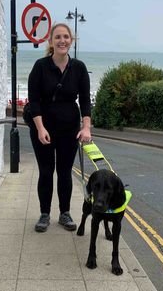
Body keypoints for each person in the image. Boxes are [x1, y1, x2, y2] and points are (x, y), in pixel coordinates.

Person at [27, 23, 92, 232]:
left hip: (69, 128)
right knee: (46, 172)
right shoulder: (40, 66)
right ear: (51, 41)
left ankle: (65, 213)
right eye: (58, 37)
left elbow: (84, 101)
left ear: (71, 41)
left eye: (66, 37)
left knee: (64, 172)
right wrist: (39, 127)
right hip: (43, 128)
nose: (62, 40)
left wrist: (86, 128)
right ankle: (44, 214)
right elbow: (34, 100)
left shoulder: (79, 68)